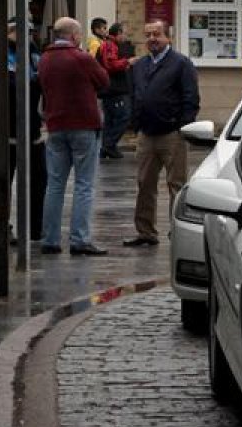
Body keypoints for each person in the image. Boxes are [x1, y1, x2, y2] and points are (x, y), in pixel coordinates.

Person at [37, 17, 110, 255]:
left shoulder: (45, 59)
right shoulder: (81, 58)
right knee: (84, 185)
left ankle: (50, 239)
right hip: (84, 126)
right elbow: (104, 81)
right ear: (74, 36)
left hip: (55, 126)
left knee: (55, 184)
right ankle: (79, 240)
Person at [125, 19, 200, 247]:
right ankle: (145, 232)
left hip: (172, 135)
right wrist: (135, 123)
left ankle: (177, 232)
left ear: (168, 37)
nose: (152, 39)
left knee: (176, 185)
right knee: (144, 184)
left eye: (157, 34)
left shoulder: (181, 63)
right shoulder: (139, 65)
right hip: (147, 134)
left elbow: (191, 98)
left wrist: (183, 126)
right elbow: (134, 94)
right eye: (148, 35)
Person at [8, 19, 45, 244]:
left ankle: (35, 229)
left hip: (33, 131)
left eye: (29, 32)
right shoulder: (2, 55)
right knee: (4, 182)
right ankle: (3, 226)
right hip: (6, 132)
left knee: (40, 180)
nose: (24, 36)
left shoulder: (35, 56)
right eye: (17, 31)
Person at [96, 22, 138, 159]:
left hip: (110, 89)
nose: (126, 37)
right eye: (124, 33)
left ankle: (108, 147)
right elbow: (111, 65)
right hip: (115, 89)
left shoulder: (110, 44)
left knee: (110, 120)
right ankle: (108, 145)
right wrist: (128, 62)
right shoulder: (110, 45)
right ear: (118, 33)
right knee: (124, 117)